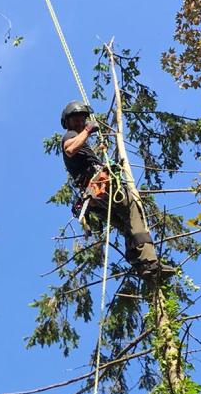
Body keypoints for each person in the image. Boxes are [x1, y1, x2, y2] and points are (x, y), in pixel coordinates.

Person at [60, 100, 174, 280]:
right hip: (99, 189)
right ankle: (150, 263)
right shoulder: (70, 136)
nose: (81, 123)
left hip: (97, 194)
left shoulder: (80, 140)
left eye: (83, 120)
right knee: (132, 211)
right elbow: (70, 149)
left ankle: (141, 265)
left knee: (127, 225)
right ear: (67, 122)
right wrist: (88, 130)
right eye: (76, 120)